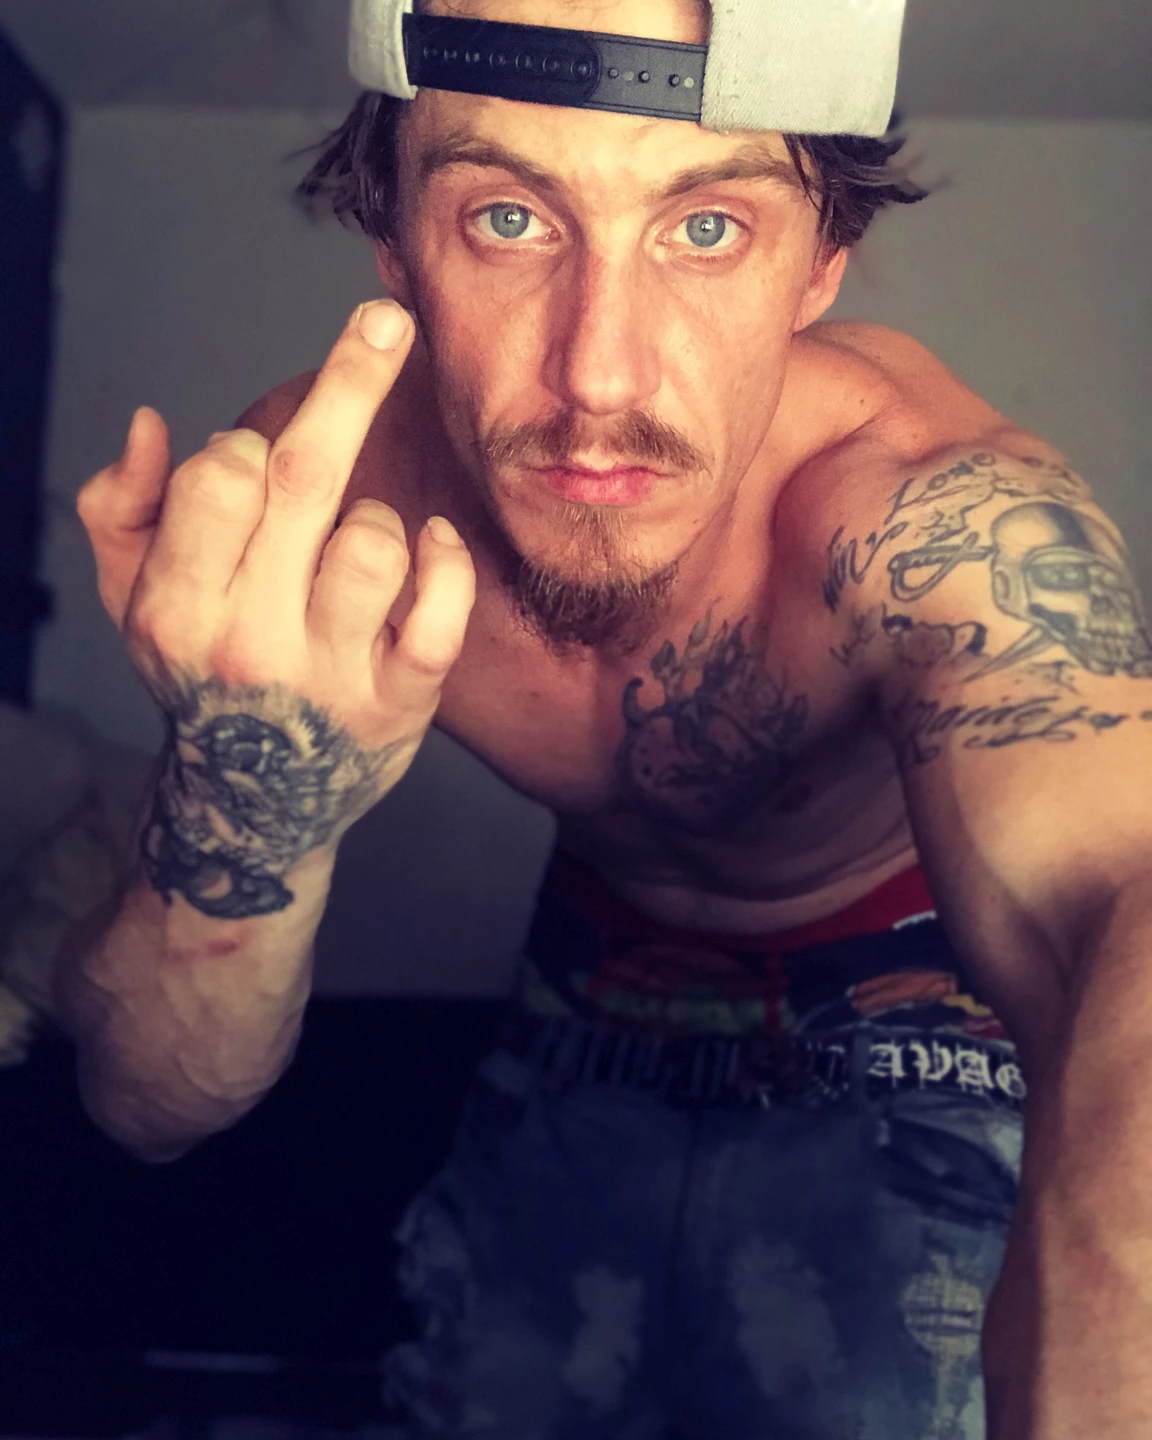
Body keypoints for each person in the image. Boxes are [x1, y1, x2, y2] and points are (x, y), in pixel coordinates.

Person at [63, 0, 1152, 1434]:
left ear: (820, 262)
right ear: (395, 239)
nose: (599, 377)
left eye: (707, 228)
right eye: (509, 219)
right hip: (590, 954)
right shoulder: (326, 512)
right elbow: (150, 1109)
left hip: (911, 976)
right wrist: (244, 786)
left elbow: (1117, 909)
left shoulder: (938, 526)